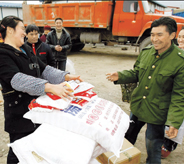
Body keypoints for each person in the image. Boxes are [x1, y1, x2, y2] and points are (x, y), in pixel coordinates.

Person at [0, 15, 82, 164]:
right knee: (18, 151)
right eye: (22, 29)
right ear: (10, 31)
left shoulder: (24, 48)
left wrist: (67, 77)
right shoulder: (3, 53)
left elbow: (44, 69)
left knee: (34, 148)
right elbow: (16, 79)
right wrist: (49, 87)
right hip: (19, 114)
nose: (25, 33)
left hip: (36, 110)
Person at [106, 16, 184, 164]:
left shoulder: (180, 61)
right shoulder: (147, 52)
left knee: (153, 147)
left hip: (157, 113)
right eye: (152, 35)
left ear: (172, 35)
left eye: (159, 35)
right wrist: (120, 76)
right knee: (125, 139)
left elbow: (179, 96)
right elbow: (136, 73)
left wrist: (174, 122)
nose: (154, 39)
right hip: (138, 107)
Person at [161, 27, 184, 158]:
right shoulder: (172, 53)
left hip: (180, 96)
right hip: (168, 94)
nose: (181, 40)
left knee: (177, 123)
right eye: (180, 37)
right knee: (165, 120)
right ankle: (164, 142)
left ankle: (168, 145)